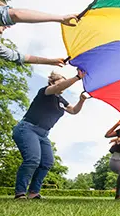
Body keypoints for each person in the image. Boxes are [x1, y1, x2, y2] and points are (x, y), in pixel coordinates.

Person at [13, 69, 87, 199]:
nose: (64, 85)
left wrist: (81, 100)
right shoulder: (45, 91)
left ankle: (33, 193)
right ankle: (20, 193)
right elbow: (58, 87)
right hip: (27, 128)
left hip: (43, 134)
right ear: (52, 82)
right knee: (32, 160)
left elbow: (74, 111)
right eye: (61, 82)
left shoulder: (61, 100)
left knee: (47, 162)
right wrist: (77, 77)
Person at [0, 0, 77, 67]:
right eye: (3, 13)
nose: (8, 26)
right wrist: (61, 19)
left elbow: (17, 56)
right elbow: (16, 15)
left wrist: (50, 61)